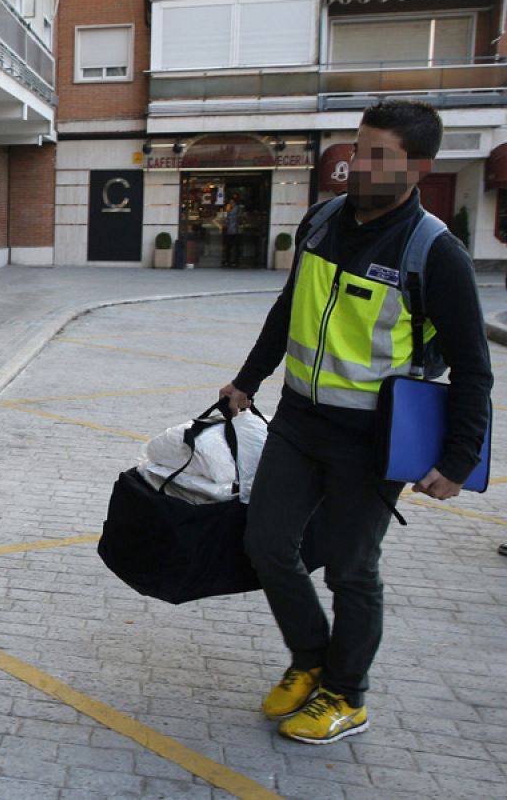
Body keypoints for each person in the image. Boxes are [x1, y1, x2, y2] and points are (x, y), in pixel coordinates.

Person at [219, 99, 491, 745]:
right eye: (357, 147)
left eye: (378, 155)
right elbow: (287, 310)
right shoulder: (320, 219)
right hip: (297, 419)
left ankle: (347, 694)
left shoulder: (435, 253)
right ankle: (312, 660)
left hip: (371, 441)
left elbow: (474, 368)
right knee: (266, 544)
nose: (356, 163)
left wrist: (457, 461)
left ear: (419, 166)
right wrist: (247, 381)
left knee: (350, 569)